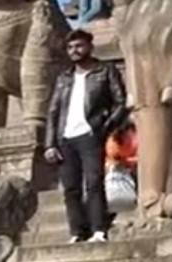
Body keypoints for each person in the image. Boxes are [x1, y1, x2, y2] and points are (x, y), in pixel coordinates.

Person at [44, 29, 128, 243]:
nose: (74, 51)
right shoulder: (64, 77)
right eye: (70, 47)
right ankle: (77, 232)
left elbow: (120, 101)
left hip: (91, 134)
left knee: (94, 182)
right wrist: (50, 144)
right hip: (66, 137)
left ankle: (98, 229)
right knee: (70, 188)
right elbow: (53, 111)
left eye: (79, 46)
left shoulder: (105, 71)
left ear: (90, 47)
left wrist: (105, 126)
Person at [104, 123, 139, 214]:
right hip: (119, 169)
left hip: (132, 169)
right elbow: (112, 157)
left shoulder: (135, 138)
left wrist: (127, 161)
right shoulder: (112, 142)